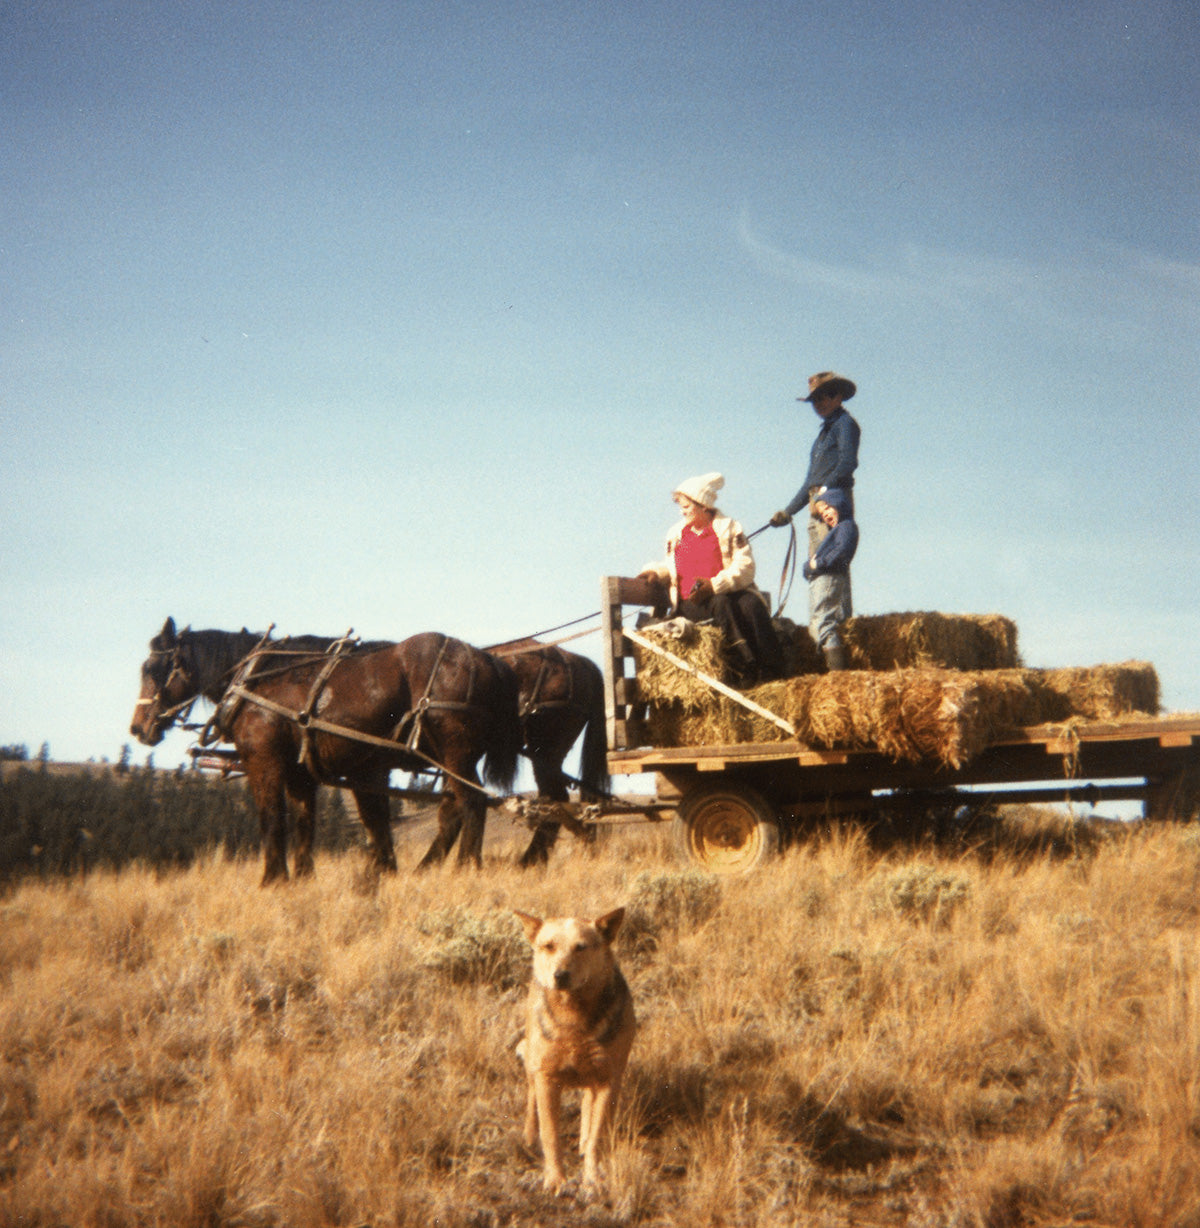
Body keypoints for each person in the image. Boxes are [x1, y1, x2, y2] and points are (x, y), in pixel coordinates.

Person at [638, 472, 784, 685]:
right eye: (680, 506)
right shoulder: (676, 534)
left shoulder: (729, 527)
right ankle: (744, 663)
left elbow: (745, 566)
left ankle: (773, 668)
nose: (682, 511)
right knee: (720, 602)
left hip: (725, 592)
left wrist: (715, 584)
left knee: (751, 604)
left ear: (704, 505)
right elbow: (670, 567)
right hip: (691, 602)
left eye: (686, 507)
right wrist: (655, 572)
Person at [770, 371, 861, 557]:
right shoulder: (822, 436)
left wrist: (823, 492)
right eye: (814, 401)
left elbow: (847, 463)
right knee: (817, 564)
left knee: (829, 566)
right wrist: (788, 512)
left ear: (838, 397)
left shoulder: (845, 424)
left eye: (822, 398)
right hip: (817, 505)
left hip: (833, 503)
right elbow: (810, 482)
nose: (818, 405)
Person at [802, 488, 858, 671]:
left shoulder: (846, 526)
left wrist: (818, 564)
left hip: (829, 577)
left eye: (827, 508)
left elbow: (841, 552)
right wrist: (809, 567)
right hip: (820, 578)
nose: (825, 514)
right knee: (815, 625)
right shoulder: (836, 531)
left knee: (823, 622)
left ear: (839, 504)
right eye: (821, 512)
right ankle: (829, 664)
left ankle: (838, 672)